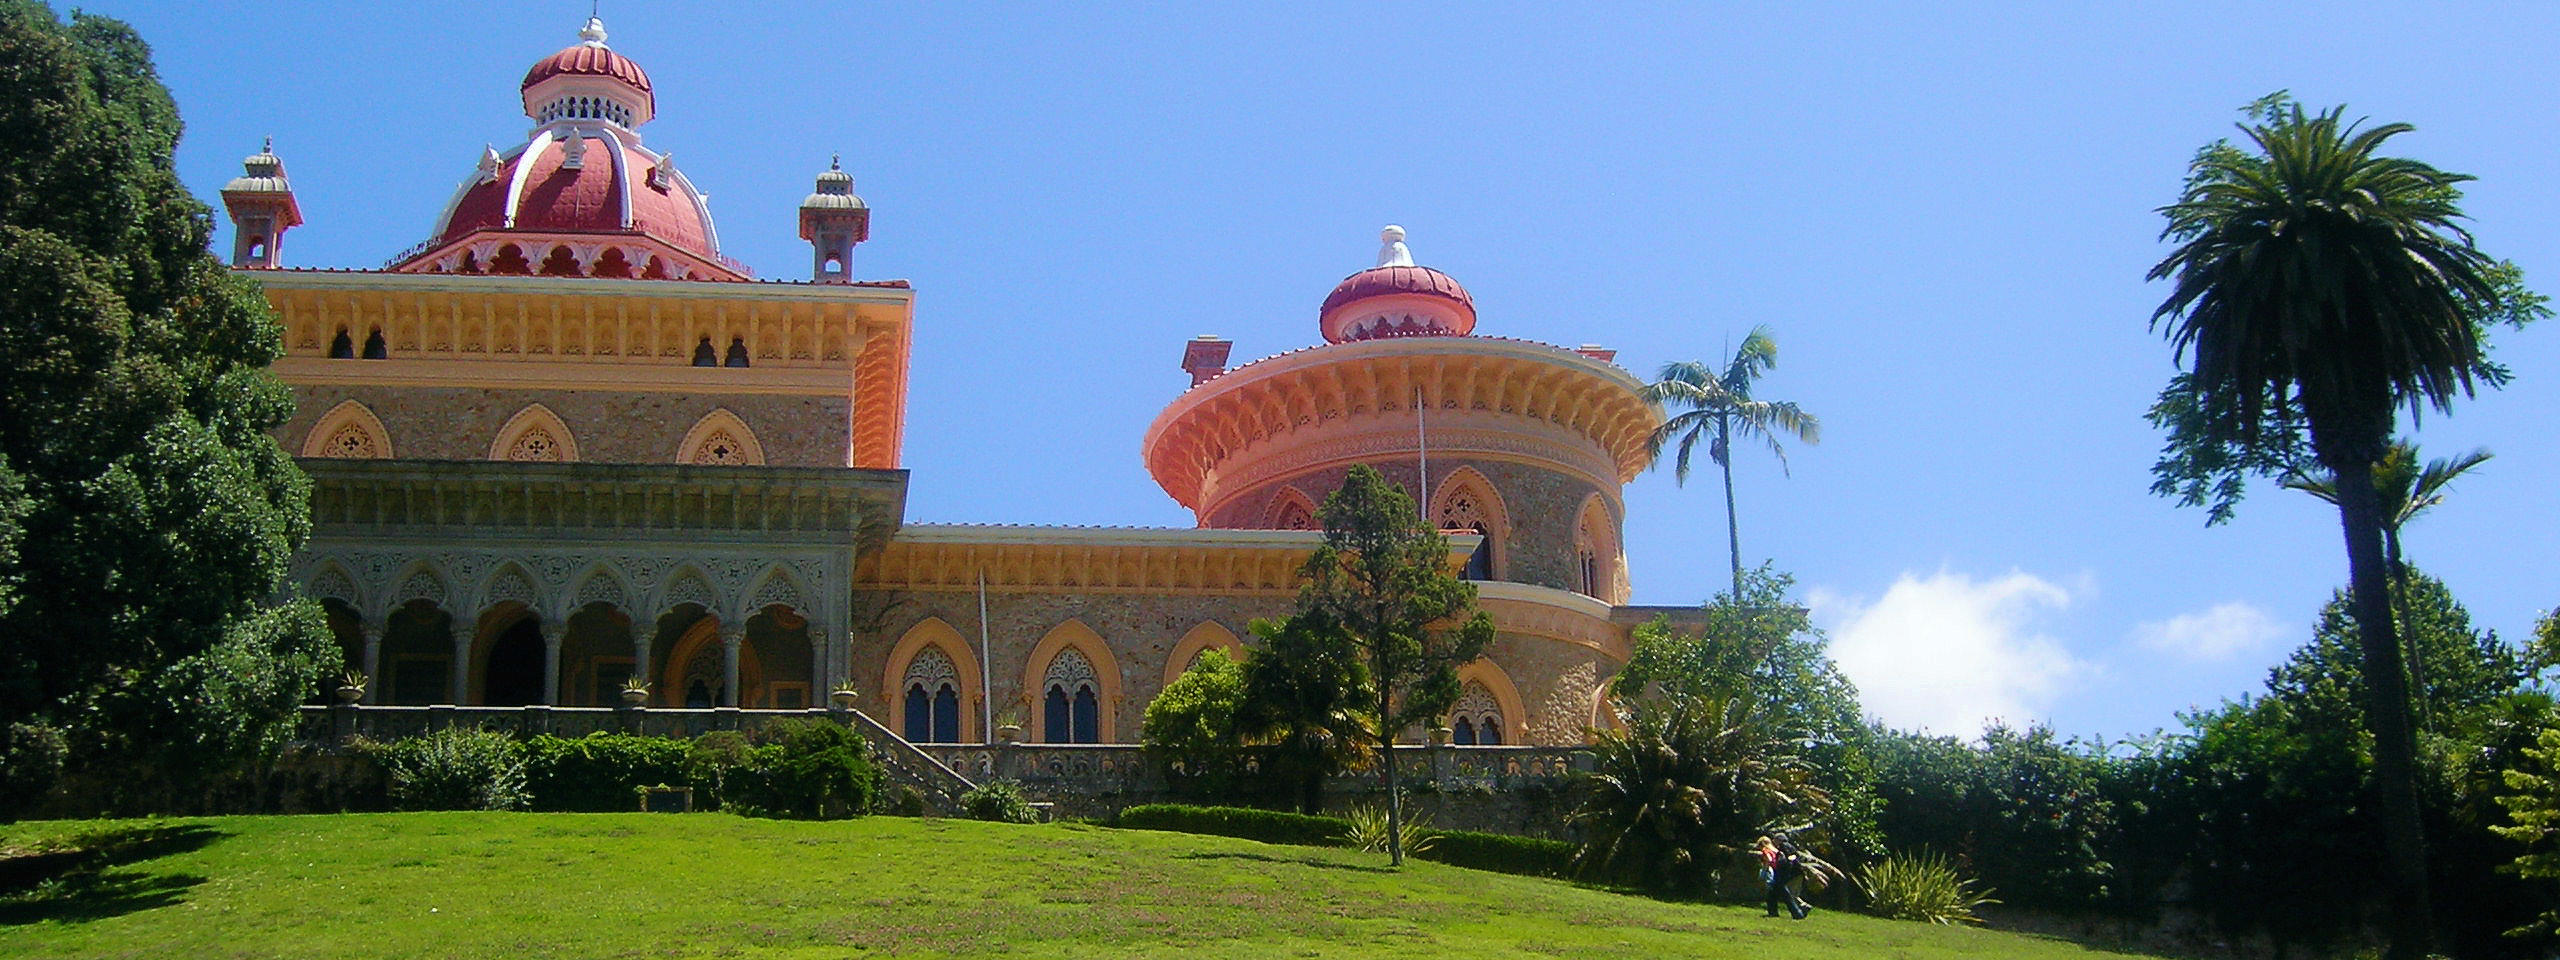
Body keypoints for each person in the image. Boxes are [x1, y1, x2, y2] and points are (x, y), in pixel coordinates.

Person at [1771, 836, 1812, 920]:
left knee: (1789, 893)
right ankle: (1802, 907)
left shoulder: (1784, 846)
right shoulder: (1791, 847)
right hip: (1798, 872)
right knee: (1790, 892)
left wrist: (1785, 867)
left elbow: (1790, 858)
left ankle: (1803, 907)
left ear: (1779, 840)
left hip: (1793, 873)